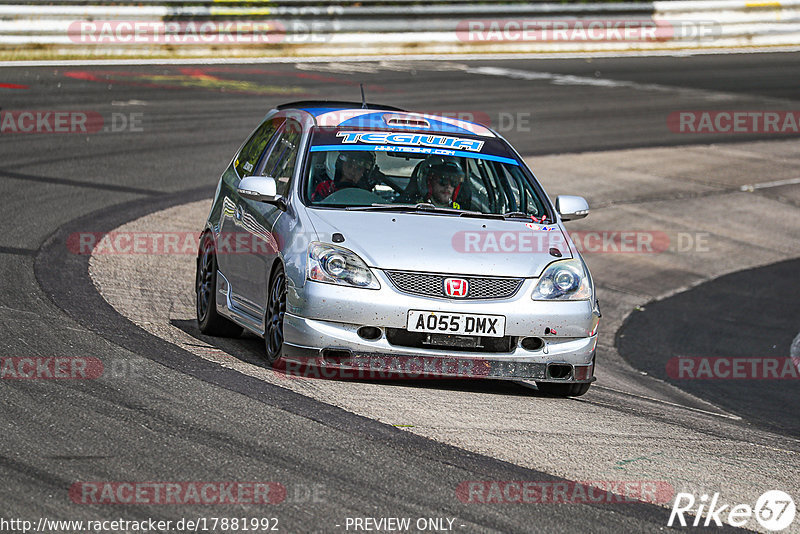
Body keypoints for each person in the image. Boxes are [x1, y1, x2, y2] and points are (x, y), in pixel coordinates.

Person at [311, 151, 377, 201]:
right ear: (341, 166)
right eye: (350, 165)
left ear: (364, 173)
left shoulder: (369, 196)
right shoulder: (325, 188)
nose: (353, 171)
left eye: (359, 169)